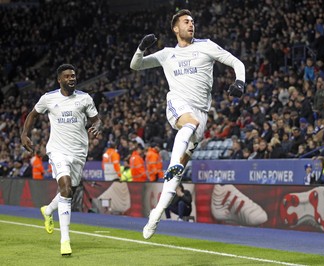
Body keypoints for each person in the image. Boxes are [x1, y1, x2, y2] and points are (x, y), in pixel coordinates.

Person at [130, 9, 245, 239]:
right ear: (176, 28)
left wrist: (240, 82)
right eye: (186, 22)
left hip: (202, 115)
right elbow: (136, 65)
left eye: (192, 21)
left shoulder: (206, 45)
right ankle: (173, 164)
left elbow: (236, 62)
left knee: (175, 179)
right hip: (178, 103)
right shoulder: (166, 54)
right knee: (187, 125)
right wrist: (141, 47)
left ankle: (156, 215)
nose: (191, 25)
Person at [20, 64, 102, 256]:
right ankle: (65, 240)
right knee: (65, 188)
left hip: (79, 152)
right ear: (60, 80)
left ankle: (48, 211)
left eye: (73, 75)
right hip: (57, 150)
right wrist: (24, 134)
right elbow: (33, 114)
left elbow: (96, 119)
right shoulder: (49, 98)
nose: (72, 78)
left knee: (70, 191)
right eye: (67, 76)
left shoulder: (84, 98)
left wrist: (98, 126)